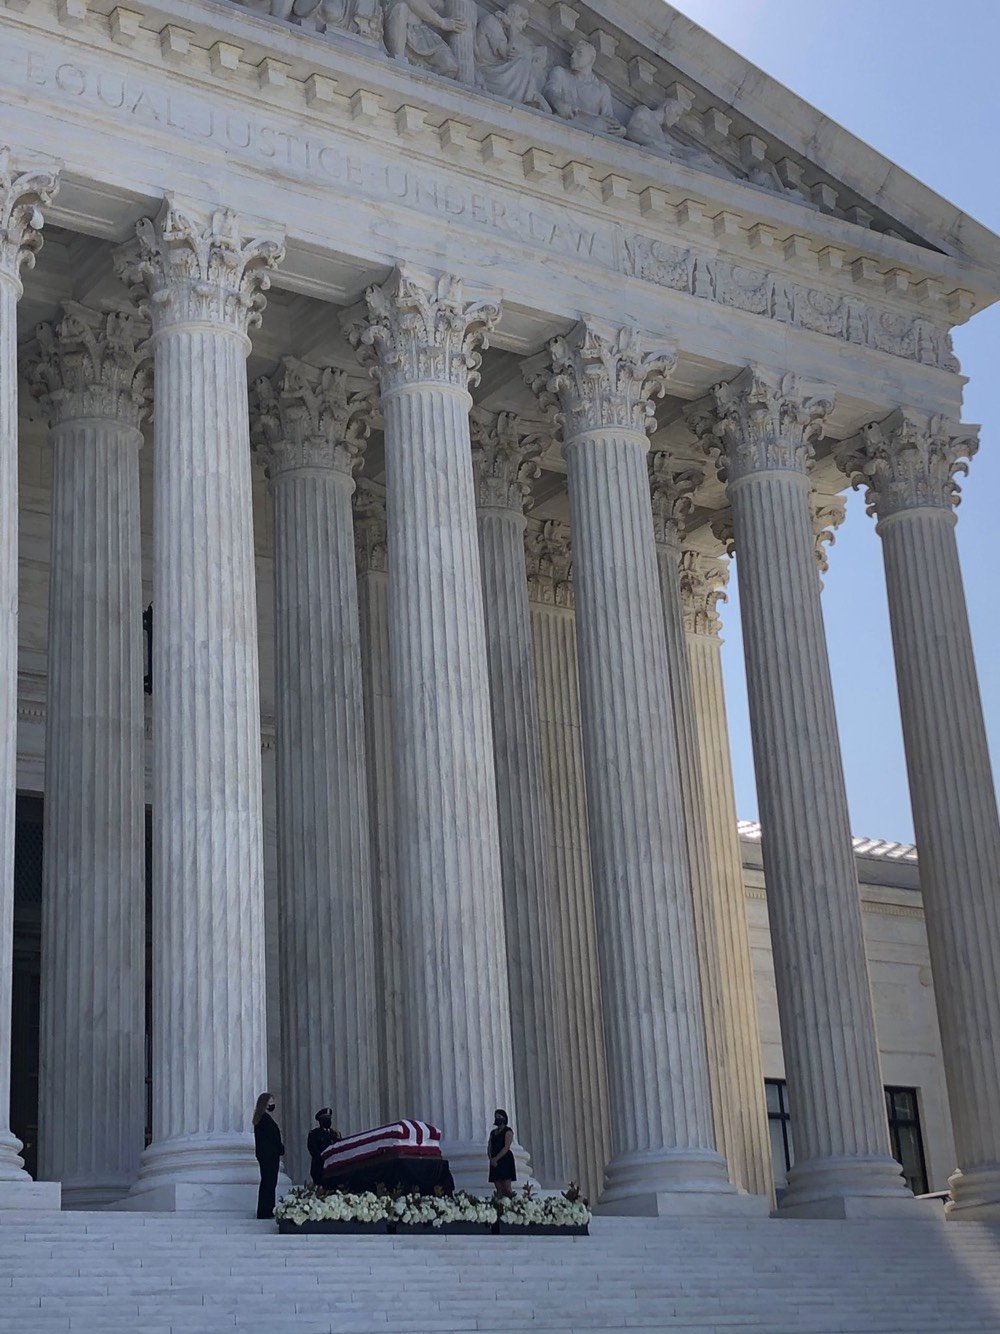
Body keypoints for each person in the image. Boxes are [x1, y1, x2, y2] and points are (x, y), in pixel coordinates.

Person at [252, 1091, 285, 1220]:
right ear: (265, 1103)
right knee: (269, 1182)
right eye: (271, 1101)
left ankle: (266, 1209)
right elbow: (272, 1138)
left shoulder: (261, 1118)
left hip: (266, 1155)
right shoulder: (265, 1119)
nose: (273, 1104)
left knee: (268, 1182)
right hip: (269, 1156)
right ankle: (266, 1210)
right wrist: (280, 1148)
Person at [307, 1107, 341, 1186]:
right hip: (319, 1168)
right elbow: (312, 1149)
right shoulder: (314, 1134)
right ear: (320, 1120)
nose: (328, 1120)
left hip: (333, 1169)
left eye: (329, 1118)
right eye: (325, 1118)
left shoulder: (335, 1134)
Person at [487, 1108, 516, 1197]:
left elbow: (506, 1147)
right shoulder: (493, 1132)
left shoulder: (508, 1131)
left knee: (506, 1186)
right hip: (494, 1160)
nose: (497, 1118)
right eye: (496, 1117)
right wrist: (491, 1158)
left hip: (505, 1159)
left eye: (499, 1116)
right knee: (498, 1185)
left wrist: (496, 1158)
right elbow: (490, 1145)